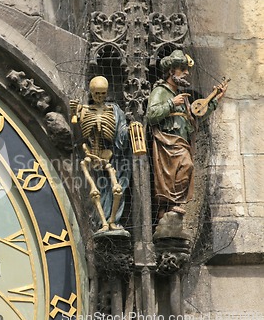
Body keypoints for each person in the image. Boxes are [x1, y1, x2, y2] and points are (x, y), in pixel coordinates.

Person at [146, 50, 227, 218]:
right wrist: (171, 103)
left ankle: (173, 204)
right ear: (171, 71)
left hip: (182, 141)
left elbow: (196, 116)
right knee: (179, 169)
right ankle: (167, 206)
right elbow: (151, 115)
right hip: (166, 142)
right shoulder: (161, 91)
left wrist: (215, 99)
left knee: (186, 167)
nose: (186, 73)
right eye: (182, 69)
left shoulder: (183, 96)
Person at [71, 76, 131, 234]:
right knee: (98, 188)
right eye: (97, 94)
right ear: (91, 93)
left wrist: (129, 130)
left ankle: (112, 221)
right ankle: (102, 222)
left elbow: (121, 131)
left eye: (103, 94)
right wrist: (74, 115)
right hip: (91, 156)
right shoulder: (84, 110)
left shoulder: (114, 111)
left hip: (110, 155)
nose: (100, 97)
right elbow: (77, 138)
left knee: (115, 187)